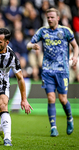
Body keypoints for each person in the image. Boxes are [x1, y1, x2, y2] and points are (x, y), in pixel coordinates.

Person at [26, 8, 79, 137]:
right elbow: (28, 44)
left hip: (62, 70)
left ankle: (70, 118)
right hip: (47, 70)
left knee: (62, 99)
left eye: (52, 17)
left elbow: (76, 46)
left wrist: (75, 56)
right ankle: (53, 127)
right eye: (48, 17)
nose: (50, 19)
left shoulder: (66, 31)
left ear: (58, 18)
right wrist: (32, 46)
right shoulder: (42, 31)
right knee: (51, 98)